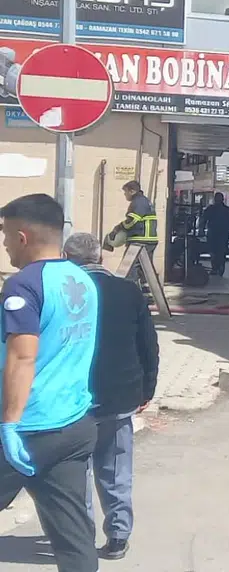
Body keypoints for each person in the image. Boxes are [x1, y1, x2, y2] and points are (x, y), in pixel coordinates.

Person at [0, 194, 100, 571]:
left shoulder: (24, 285)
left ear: (23, 237)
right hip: (73, 423)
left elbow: (23, 357)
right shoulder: (81, 279)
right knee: (73, 537)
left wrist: (9, 425)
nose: (5, 244)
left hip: (29, 428)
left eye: (6, 235)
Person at [63, 233, 160, 561]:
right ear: (100, 259)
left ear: (67, 259)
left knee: (78, 470)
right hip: (120, 397)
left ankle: (81, 536)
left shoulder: (64, 295)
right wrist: (148, 388)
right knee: (117, 466)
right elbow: (149, 344)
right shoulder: (128, 291)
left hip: (74, 402)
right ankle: (118, 535)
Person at [199, 193, 229, 277]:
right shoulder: (223, 209)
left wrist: (202, 229)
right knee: (217, 251)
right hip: (218, 233)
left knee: (216, 251)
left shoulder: (215, 209)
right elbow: (204, 219)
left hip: (217, 233)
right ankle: (217, 267)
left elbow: (204, 219)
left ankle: (217, 267)